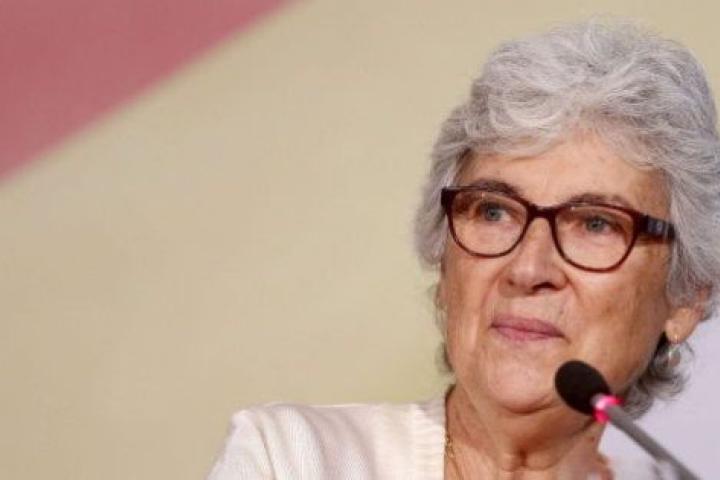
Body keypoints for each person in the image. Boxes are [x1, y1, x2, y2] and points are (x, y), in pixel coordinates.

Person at [208, 19, 720, 479]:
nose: (528, 268)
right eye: (494, 211)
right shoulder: (295, 460)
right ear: (445, 266)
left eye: (595, 223)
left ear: (686, 298)